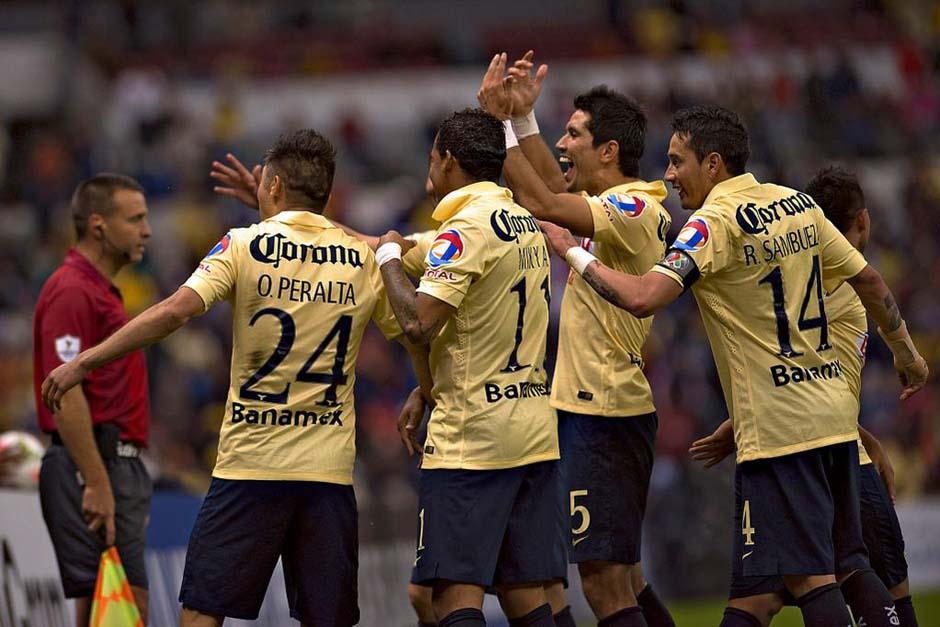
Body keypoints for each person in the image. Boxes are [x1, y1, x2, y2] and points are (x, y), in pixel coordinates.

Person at [539, 105, 928, 627]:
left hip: (779, 433)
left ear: (714, 163)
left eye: (678, 162)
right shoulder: (797, 205)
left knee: (813, 580)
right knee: (766, 591)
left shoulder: (711, 225)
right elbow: (873, 285)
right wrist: (906, 354)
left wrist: (573, 253)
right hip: (831, 422)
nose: (669, 174)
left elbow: (642, 298)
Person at [42, 129, 431, 627]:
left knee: (202, 615)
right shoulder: (363, 257)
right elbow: (415, 334)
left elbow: (177, 310)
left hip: (250, 467)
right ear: (327, 194)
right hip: (327, 476)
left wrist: (85, 361)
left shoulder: (245, 244)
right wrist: (425, 389)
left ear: (270, 188)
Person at [477, 51, 675, 627]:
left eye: (574, 134)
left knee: (605, 585)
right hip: (593, 409)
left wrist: (498, 124)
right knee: (625, 580)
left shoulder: (631, 207)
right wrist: (522, 121)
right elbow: (551, 184)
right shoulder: (617, 204)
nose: (562, 145)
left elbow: (541, 201)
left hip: (604, 414)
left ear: (609, 151)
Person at [689, 166, 921, 626]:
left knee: (790, 588)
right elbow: (817, 382)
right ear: (864, 221)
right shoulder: (844, 295)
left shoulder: (801, 289)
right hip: (832, 453)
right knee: (777, 591)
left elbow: (798, 378)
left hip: (799, 450)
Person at [375, 108, 565, 627]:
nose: (428, 167)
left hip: (473, 442)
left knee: (453, 596)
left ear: (450, 162)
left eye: (432, 156)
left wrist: (389, 258)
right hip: (532, 431)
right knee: (526, 594)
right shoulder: (522, 223)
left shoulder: (466, 230)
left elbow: (417, 322)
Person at [32, 173, 153, 626]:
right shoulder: (71, 290)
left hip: (115, 464)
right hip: (96, 463)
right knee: (127, 608)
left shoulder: (97, 289)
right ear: (98, 225)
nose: (147, 230)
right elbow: (65, 391)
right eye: (136, 219)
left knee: (105, 610)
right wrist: (99, 482)